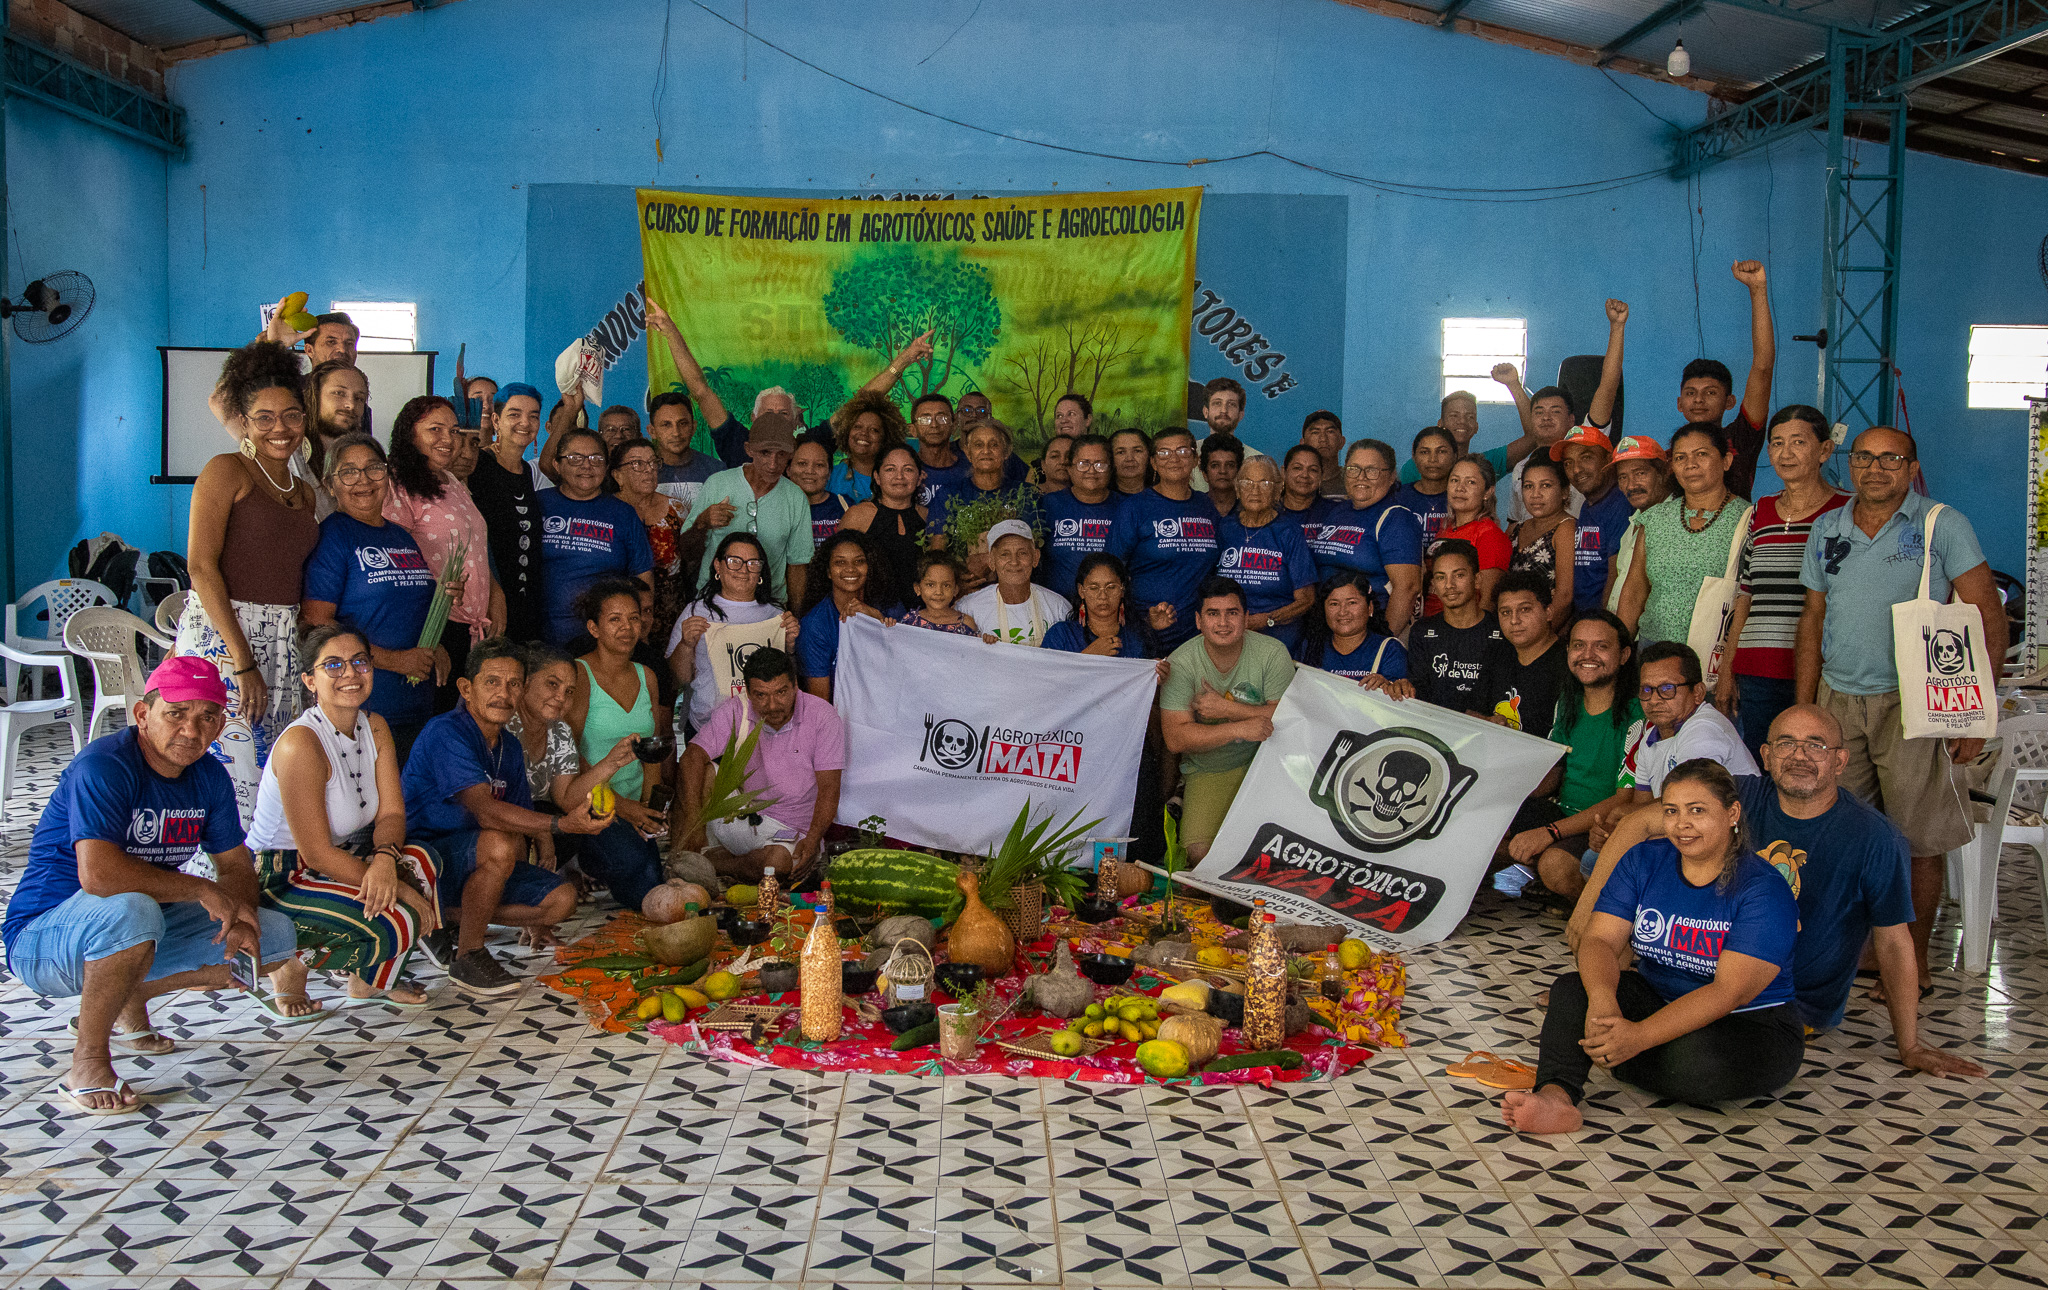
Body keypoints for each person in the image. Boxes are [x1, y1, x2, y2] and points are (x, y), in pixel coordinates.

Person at [1574, 705, 1988, 1080]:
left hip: (1782, 1007)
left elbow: (1895, 943)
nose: (1800, 756)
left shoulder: (1875, 838)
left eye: (1816, 745)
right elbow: (1637, 824)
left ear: (1840, 760)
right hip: (1686, 978)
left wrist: (1909, 1044)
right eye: (1786, 743)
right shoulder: (1739, 795)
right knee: (1582, 994)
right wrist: (1587, 912)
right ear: (1766, 756)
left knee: (1689, 1061)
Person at [1, 658, 302, 1113]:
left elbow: (235, 865)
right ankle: (87, 1063)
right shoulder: (104, 765)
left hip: (129, 926)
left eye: (207, 717)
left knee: (273, 935)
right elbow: (98, 875)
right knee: (132, 911)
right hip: (43, 939)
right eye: (175, 713)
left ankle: (127, 992)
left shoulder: (208, 775)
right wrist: (200, 890)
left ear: (221, 724)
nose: (191, 730)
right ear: (143, 715)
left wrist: (240, 919)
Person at [1796, 426, 2007, 995]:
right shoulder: (1828, 527)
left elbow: (1988, 613)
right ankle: (1852, 955)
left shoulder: (1942, 524)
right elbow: (1813, 620)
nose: (1876, 468)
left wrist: (1974, 715)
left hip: (1917, 702)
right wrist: (1803, 709)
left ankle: (1910, 966)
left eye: (1891, 458)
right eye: (1864, 457)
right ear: (1849, 465)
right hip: (1839, 700)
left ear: (1911, 468)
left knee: (1916, 840)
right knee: (1843, 836)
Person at [1501, 759, 1802, 1133]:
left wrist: (1639, 1035)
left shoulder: (1763, 888)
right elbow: (1599, 940)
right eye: (1672, 811)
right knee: (1572, 991)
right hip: (1659, 997)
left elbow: (1729, 993)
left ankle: (1621, 1051)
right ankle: (1556, 1098)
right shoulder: (1644, 859)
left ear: (1732, 814)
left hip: (1750, 1024)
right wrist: (1602, 998)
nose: (1682, 823)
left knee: (1696, 1063)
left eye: (1698, 810)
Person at [248, 624, 440, 1011]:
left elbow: (391, 812)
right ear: (309, 680)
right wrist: (398, 888)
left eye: (359, 662)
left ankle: (367, 981)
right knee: (401, 918)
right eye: (332, 665)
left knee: (421, 862)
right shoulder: (301, 743)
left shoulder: (376, 727)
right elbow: (316, 854)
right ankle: (289, 962)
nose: (350, 674)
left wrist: (386, 858)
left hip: (334, 861)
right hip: (278, 876)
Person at [401, 640, 607, 993]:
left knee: (561, 899)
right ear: (466, 688)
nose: (504, 693)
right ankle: (468, 955)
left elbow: (520, 813)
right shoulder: (446, 731)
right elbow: (486, 810)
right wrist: (559, 825)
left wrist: (543, 845)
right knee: (498, 843)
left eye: (514, 684)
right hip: (425, 861)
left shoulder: (507, 744)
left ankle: (435, 917)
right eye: (492, 682)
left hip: (473, 858)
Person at [181, 342, 321, 810]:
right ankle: (213, 872)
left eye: (291, 415)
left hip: (283, 641)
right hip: (226, 636)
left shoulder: (303, 493)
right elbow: (200, 566)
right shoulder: (227, 470)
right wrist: (241, 660)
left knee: (273, 769)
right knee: (229, 760)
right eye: (264, 417)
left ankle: (267, 871)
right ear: (243, 421)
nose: (279, 428)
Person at [300, 435, 447, 763]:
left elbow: (412, 605)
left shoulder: (401, 535)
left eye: (373, 469)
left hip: (418, 703)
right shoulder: (333, 537)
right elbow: (316, 622)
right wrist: (396, 661)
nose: (363, 480)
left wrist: (437, 647)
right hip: (364, 707)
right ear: (329, 485)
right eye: (349, 472)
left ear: (388, 476)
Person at [1714, 406, 1848, 759]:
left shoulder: (1847, 511)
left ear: (1824, 450)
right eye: (1776, 443)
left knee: (1815, 765)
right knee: (1764, 764)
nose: (1785, 453)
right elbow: (1745, 594)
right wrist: (1728, 669)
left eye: (1798, 442)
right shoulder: (1762, 509)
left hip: (1822, 669)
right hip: (1756, 669)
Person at [1503, 611, 1641, 903]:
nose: (1587, 654)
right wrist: (1509, 794)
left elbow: (1624, 799)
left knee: (1555, 867)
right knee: (1480, 832)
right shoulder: (1568, 701)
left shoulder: (1636, 714)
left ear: (1625, 654)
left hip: (1602, 827)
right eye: (1579, 645)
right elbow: (1557, 770)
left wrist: (1549, 833)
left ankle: (1603, 911)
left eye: (1601, 646)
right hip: (1561, 814)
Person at [1159, 577, 1295, 860]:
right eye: (1213, 614)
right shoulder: (1182, 662)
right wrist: (1242, 728)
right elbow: (1175, 738)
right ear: (1198, 621)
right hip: (1211, 769)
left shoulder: (1271, 653)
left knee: (1275, 856)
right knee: (1201, 855)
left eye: (1232, 613)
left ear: (1246, 618)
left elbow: (1290, 717)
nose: (1223, 623)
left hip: (1267, 766)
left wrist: (1227, 710)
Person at [385, 395, 504, 711]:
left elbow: (473, 548)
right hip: (432, 627)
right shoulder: (398, 484)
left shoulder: (451, 479)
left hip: (469, 629)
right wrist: (431, 639)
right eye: (434, 430)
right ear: (410, 434)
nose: (448, 440)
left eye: (453, 431)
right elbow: (397, 566)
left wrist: (495, 596)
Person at [683, 647, 845, 879]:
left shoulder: (822, 717)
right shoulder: (738, 708)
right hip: (740, 815)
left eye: (781, 692)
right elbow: (691, 757)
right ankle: (688, 856)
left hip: (791, 832)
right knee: (699, 772)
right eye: (761, 695)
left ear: (795, 686)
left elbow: (830, 788)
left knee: (777, 866)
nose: (772, 705)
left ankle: (712, 862)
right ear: (747, 692)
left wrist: (813, 839)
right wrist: (693, 822)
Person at [564, 583, 668, 913]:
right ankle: (581, 861)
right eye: (614, 619)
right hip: (593, 804)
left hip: (635, 806)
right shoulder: (579, 674)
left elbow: (651, 748)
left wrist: (648, 812)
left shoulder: (646, 675)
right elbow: (568, 755)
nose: (627, 628)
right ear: (594, 628)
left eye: (634, 618)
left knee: (652, 875)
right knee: (644, 880)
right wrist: (623, 808)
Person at [506, 642, 640, 886]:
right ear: (525, 682)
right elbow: (498, 804)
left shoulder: (559, 730)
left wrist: (611, 763)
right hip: (504, 824)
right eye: (552, 684)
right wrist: (541, 832)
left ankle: (560, 877)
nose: (561, 697)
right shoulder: (504, 725)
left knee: (587, 828)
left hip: (539, 822)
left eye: (569, 691)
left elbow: (566, 798)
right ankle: (528, 902)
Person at [1618, 425, 1747, 647]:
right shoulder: (1655, 518)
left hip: (1714, 653)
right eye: (1680, 457)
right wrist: (1619, 647)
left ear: (1726, 461)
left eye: (1702, 454)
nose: (1691, 464)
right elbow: (1635, 590)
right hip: (1653, 649)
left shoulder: (1747, 518)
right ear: (1673, 468)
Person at [1609, 642, 1759, 830]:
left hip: (1736, 839)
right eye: (1646, 690)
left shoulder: (1703, 730)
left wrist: (1626, 818)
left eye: (1667, 689)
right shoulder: (1649, 736)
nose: (1654, 700)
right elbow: (1642, 805)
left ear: (1698, 693)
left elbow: (1687, 807)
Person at [668, 533, 801, 732]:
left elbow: (788, 682)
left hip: (764, 731)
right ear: (717, 566)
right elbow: (676, 680)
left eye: (752, 563)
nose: (743, 569)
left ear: (761, 571)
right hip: (707, 730)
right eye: (734, 561)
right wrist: (686, 645)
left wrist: (789, 648)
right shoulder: (696, 611)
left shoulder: (777, 616)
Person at [538, 426, 655, 647]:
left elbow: (643, 577)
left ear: (607, 466)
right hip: (541, 635)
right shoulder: (538, 504)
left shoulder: (623, 513)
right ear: (557, 465)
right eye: (575, 458)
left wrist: (641, 629)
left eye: (596, 458)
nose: (587, 465)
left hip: (605, 641)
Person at [1108, 427, 1222, 653]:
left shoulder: (1206, 506)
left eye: (1182, 451)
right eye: (1164, 453)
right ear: (1153, 462)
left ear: (1195, 459)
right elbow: (1110, 570)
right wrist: (1133, 620)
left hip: (1197, 636)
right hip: (1145, 632)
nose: (1173, 459)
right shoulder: (1134, 508)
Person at [683, 410, 813, 606]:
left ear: (791, 452)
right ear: (749, 449)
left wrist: (793, 616)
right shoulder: (718, 484)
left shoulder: (795, 497)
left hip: (769, 605)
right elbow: (686, 553)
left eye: (781, 454)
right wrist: (703, 522)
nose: (773, 463)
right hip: (713, 602)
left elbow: (797, 566)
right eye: (765, 453)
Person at [1677, 261, 1776, 501]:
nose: (1698, 399)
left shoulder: (1741, 437)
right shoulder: (1673, 452)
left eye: (1710, 392)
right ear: (1679, 404)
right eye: (1690, 393)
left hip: (1734, 536)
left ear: (1729, 401)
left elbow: (1762, 367)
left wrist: (1758, 290)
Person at [1305, 439, 1424, 638]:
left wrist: (1381, 645)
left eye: (1372, 470)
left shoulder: (1397, 518)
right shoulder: (1338, 511)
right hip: (1331, 629)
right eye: (1354, 469)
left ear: (1391, 476)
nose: (1361, 477)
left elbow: (1408, 588)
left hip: (1372, 631)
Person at [464, 382, 548, 644]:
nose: (525, 422)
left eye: (533, 415)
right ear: (496, 420)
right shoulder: (476, 466)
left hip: (526, 605)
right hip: (488, 603)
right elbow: (469, 539)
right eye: (515, 414)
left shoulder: (528, 472)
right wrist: (493, 593)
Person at [1215, 457, 1317, 652]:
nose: (1255, 490)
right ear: (1237, 488)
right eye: (1247, 483)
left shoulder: (1289, 532)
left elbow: (1306, 599)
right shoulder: (1226, 528)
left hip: (1277, 638)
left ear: (1278, 490)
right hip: (1229, 635)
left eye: (1265, 483)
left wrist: (1267, 619)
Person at [609, 437, 698, 656]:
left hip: (670, 614)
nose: (648, 470)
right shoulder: (606, 511)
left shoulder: (675, 509)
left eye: (652, 462)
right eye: (637, 464)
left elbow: (689, 562)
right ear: (617, 475)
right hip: (621, 616)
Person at [1401, 540, 1504, 716]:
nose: (1449, 585)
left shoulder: (1501, 631)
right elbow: (1418, 695)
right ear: (1433, 583)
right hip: (1436, 732)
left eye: (1459, 575)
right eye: (1441, 577)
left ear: (1477, 579)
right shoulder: (1422, 632)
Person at [795, 530, 899, 700]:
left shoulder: (890, 607)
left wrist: (876, 619)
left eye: (859, 561)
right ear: (828, 572)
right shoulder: (815, 624)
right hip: (841, 716)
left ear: (869, 567)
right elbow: (820, 701)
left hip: (887, 709)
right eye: (840, 562)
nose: (850, 569)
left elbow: (906, 666)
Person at [1399, 364, 1542, 487]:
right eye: (1454, 416)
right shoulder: (1415, 467)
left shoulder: (1487, 463)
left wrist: (1513, 384)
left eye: (1470, 417)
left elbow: (1534, 436)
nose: (1462, 421)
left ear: (1476, 427)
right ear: (1440, 424)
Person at [838, 445, 929, 610]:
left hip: (921, 617)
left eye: (908, 469)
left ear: (919, 477)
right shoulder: (858, 516)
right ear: (877, 477)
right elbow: (838, 569)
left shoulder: (929, 517)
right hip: (869, 614)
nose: (899, 476)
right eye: (890, 469)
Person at [1554, 426, 1632, 616]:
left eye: (1586, 457)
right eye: (1568, 463)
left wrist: (1602, 624)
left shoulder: (1621, 505)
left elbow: (1616, 574)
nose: (1576, 470)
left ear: (1608, 459)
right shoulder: (1588, 504)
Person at [960, 520, 1073, 648]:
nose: (1014, 562)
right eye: (1005, 554)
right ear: (991, 561)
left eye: (1022, 553)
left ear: (1035, 558)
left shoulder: (1059, 608)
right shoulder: (969, 609)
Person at [1482, 569, 1566, 738]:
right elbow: (1473, 710)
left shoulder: (1568, 663)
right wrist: (1488, 721)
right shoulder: (1498, 654)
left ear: (1548, 612)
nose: (1514, 620)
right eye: (1505, 612)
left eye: (1525, 610)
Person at [1039, 433, 1122, 600]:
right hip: (1056, 606)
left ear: (1111, 469)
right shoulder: (1047, 505)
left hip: (1108, 609)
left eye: (1100, 464)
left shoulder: (1127, 508)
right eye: (1083, 464)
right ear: (1069, 468)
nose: (1091, 471)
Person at [1425, 454, 1510, 614]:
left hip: (1461, 629)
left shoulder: (1489, 534)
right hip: (1431, 623)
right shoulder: (1446, 528)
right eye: (1454, 480)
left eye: (1470, 482)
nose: (1459, 488)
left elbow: (1488, 600)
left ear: (1488, 492)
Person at [1044, 553, 1169, 658]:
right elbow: (1046, 681)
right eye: (1093, 588)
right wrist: (1088, 656)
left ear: (1122, 589)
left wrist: (1156, 675)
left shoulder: (1138, 637)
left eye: (1111, 587)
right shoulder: (1061, 635)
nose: (1103, 595)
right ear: (1081, 591)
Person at [1603, 434, 1673, 612]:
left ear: (1663, 473)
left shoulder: (1676, 522)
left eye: (1640, 473)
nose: (1631, 485)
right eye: (1623, 477)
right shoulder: (1633, 521)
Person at [1507, 456, 1577, 631]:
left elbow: (1565, 596)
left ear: (1564, 491)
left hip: (1547, 633)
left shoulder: (1566, 528)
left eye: (1546, 485)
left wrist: (1540, 639)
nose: (1535, 494)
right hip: (1516, 629)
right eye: (1528, 486)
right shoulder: (1517, 529)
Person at [1300, 571, 1407, 683]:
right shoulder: (1310, 647)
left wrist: (1387, 686)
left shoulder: (1389, 649)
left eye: (1352, 603)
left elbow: (1398, 695)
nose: (1342, 612)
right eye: (1334, 604)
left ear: (1370, 608)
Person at [645, 390, 721, 512]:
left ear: (693, 427)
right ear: (652, 431)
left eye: (683, 423)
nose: (676, 433)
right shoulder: (642, 472)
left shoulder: (716, 471)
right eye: (666, 425)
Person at [827, 391, 906, 503]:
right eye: (857, 426)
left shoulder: (897, 478)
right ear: (846, 432)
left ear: (886, 438)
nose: (864, 433)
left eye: (874, 429)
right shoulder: (830, 476)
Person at [302, 360, 369, 487]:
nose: (351, 405)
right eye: (339, 393)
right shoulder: (291, 454)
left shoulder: (368, 461)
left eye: (359, 398)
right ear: (315, 396)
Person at [909, 392, 971, 509]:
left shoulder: (971, 468)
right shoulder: (905, 471)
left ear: (953, 425)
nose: (934, 425)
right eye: (925, 419)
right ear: (913, 429)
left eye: (942, 418)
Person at [1395, 427, 1457, 541]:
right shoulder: (1397, 498)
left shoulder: (1462, 498)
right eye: (1424, 452)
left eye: (1441, 451)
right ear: (1414, 456)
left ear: (1455, 456)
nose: (1433, 459)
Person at [900, 550, 981, 636]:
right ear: (918, 589)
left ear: (955, 590)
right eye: (930, 585)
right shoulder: (910, 621)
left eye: (946, 585)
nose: (939, 592)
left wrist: (989, 641)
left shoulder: (966, 624)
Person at [789, 440, 849, 550]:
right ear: (788, 469)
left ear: (830, 473)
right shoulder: (776, 506)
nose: (810, 471)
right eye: (802, 463)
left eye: (819, 465)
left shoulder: (845, 505)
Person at [1277, 445, 1325, 530]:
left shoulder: (1335, 513)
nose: (1305, 475)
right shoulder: (1267, 513)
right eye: (1297, 468)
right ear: (1284, 472)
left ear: (1321, 476)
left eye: (1313, 470)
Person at [1299, 411, 1345, 497]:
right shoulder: (1294, 481)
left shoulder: (1353, 479)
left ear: (1342, 442)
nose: (1323, 439)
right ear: (1303, 444)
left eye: (1330, 431)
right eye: (1315, 432)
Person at [1199, 432, 1244, 518]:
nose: (1223, 471)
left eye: (1230, 465)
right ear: (1204, 473)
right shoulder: (1193, 508)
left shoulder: (1249, 510)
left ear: (1239, 471)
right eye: (1215, 465)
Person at [1109, 427, 1153, 498]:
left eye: (1137, 451)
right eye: (1121, 452)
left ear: (1149, 455)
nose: (1129, 458)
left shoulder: (1163, 495)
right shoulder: (1100, 497)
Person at [1198, 377, 1246, 442]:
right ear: (1206, 412)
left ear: (1240, 415)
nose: (1224, 411)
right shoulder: (1192, 451)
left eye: (1231, 404)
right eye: (1217, 403)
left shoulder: (1253, 453)